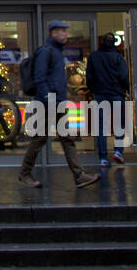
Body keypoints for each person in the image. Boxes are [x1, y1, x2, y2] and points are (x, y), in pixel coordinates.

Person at [19, 20, 101, 189]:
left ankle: (79, 175)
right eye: (61, 31)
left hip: (57, 103)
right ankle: (25, 173)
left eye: (65, 31)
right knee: (40, 139)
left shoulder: (56, 52)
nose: (65, 34)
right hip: (47, 103)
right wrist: (49, 98)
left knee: (67, 138)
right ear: (53, 32)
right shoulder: (46, 52)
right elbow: (40, 78)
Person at [87, 32, 130, 166]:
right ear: (113, 42)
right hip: (116, 94)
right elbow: (123, 76)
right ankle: (118, 151)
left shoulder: (94, 57)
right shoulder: (118, 57)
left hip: (100, 95)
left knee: (101, 127)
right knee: (119, 125)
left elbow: (89, 76)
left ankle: (103, 158)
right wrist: (125, 88)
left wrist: (93, 90)